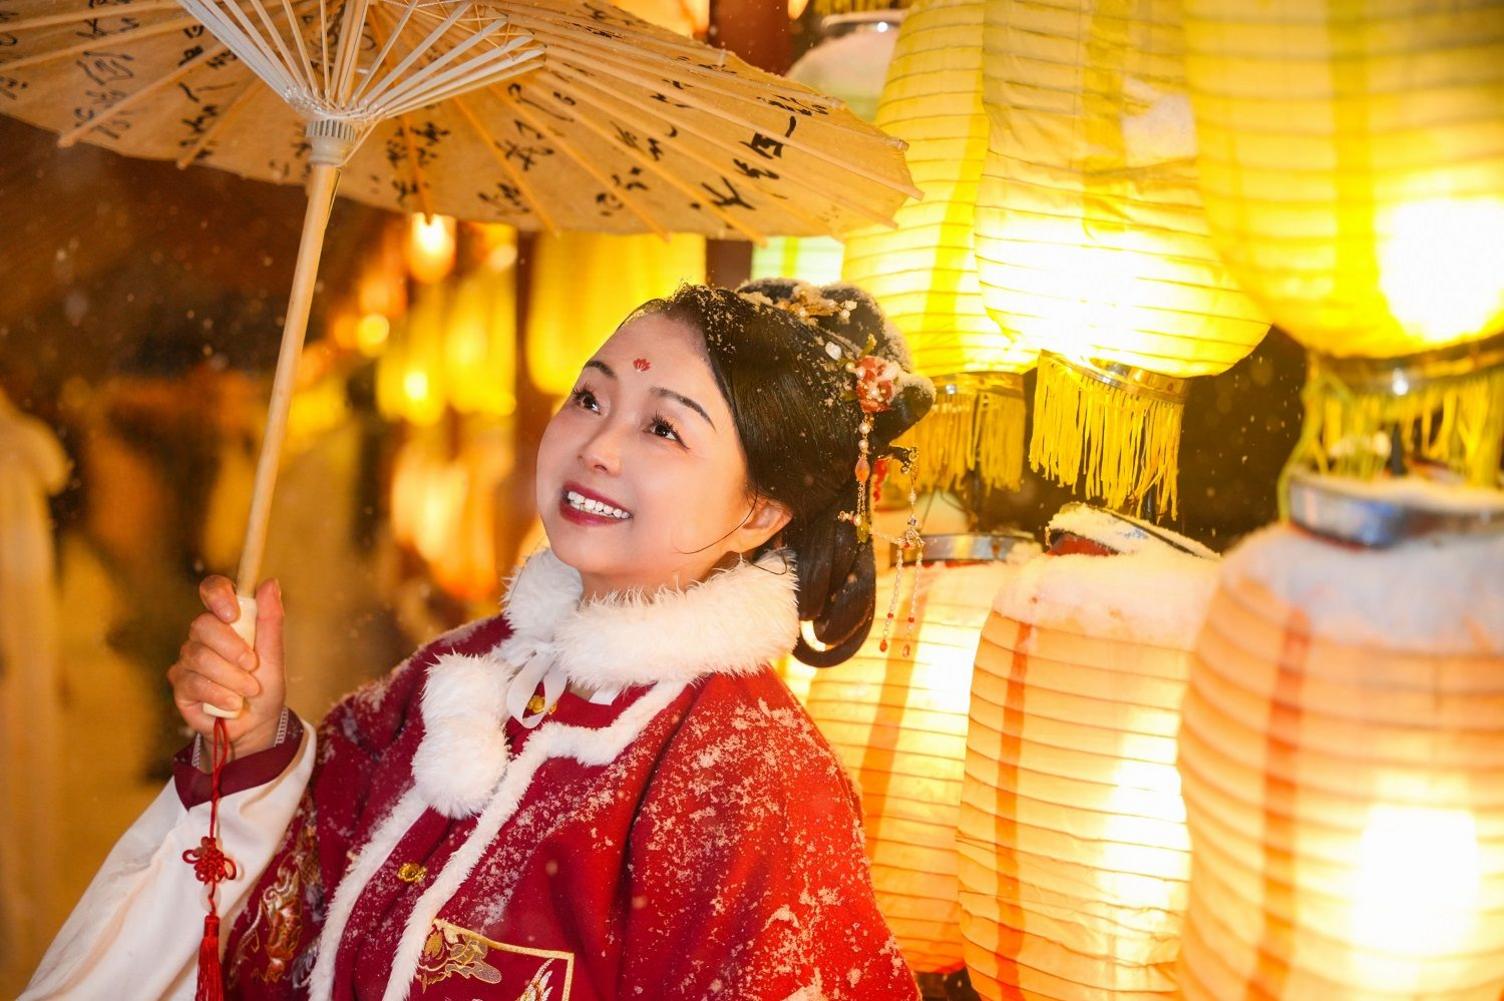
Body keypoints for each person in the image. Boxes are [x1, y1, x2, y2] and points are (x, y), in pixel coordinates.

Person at [23, 280, 935, 1001]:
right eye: (590, 397)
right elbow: (307, 875)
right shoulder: (470, 663)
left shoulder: (752, 774)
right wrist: (260, 739)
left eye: (662, 427)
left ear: (759, 509)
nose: (598, 448)